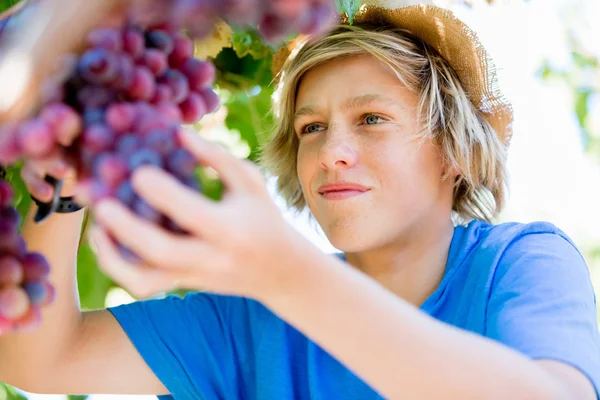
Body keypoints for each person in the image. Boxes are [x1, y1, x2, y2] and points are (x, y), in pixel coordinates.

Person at [1, 3, 599, 399]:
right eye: (311, 128)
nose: (332, 151)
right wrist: (69, 187)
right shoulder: (254, 319)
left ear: (456, 154)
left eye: (371, 118)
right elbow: (38, 362)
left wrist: (285, 274)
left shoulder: (517, 263)